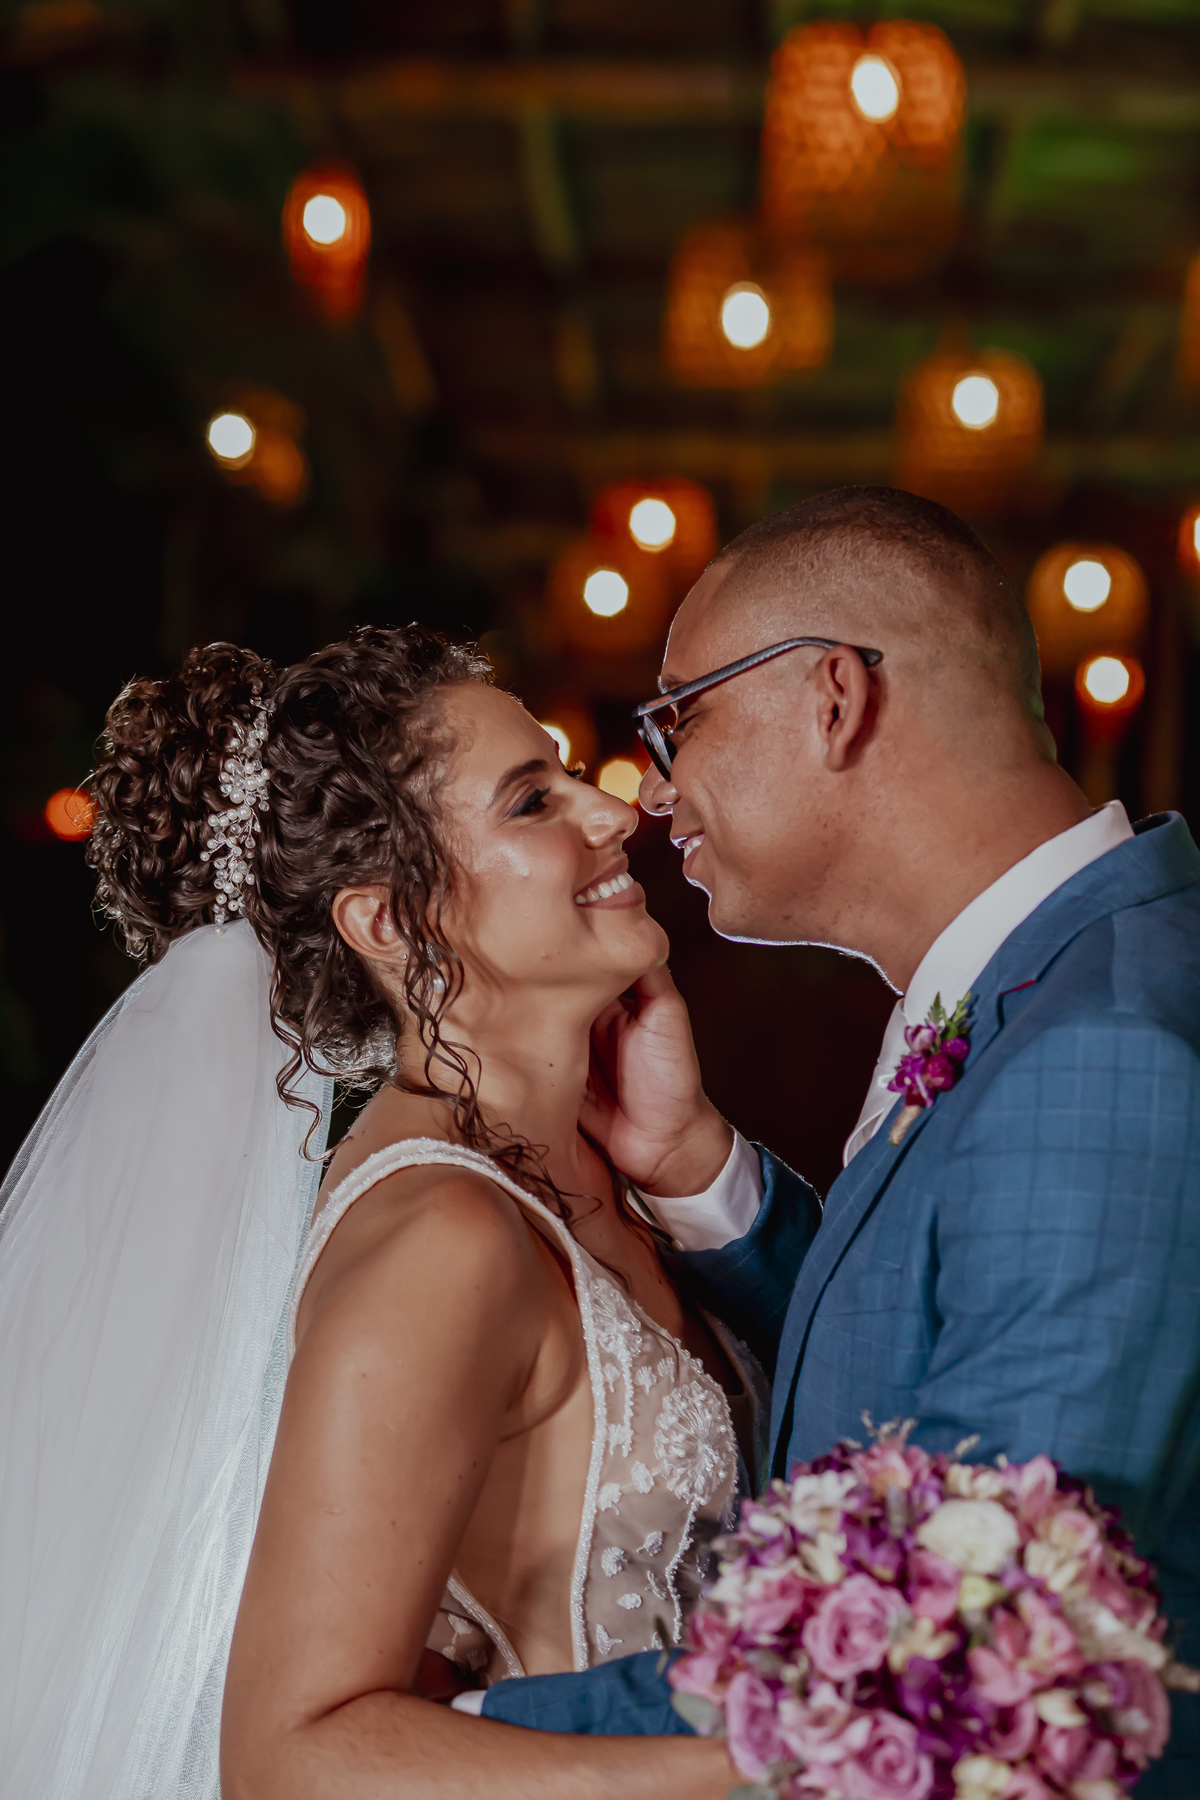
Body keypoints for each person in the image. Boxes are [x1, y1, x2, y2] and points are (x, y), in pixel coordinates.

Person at [476, 487, 1200, 1797]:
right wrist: (700, 1169)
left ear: (834, 699)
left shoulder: (1104, 1051)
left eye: (679, 719)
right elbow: (937, 1351)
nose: (653, 791)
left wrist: (436, 1731)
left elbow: (952, 1643)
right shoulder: (1050, 987)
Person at [0, 626, 748, 1800]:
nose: (612, 814)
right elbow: (293, 1754)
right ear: (390, 924)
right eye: (532, 802)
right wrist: (769, 1767)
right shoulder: (444, 1239)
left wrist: (686, 1157)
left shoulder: (598, 1169)